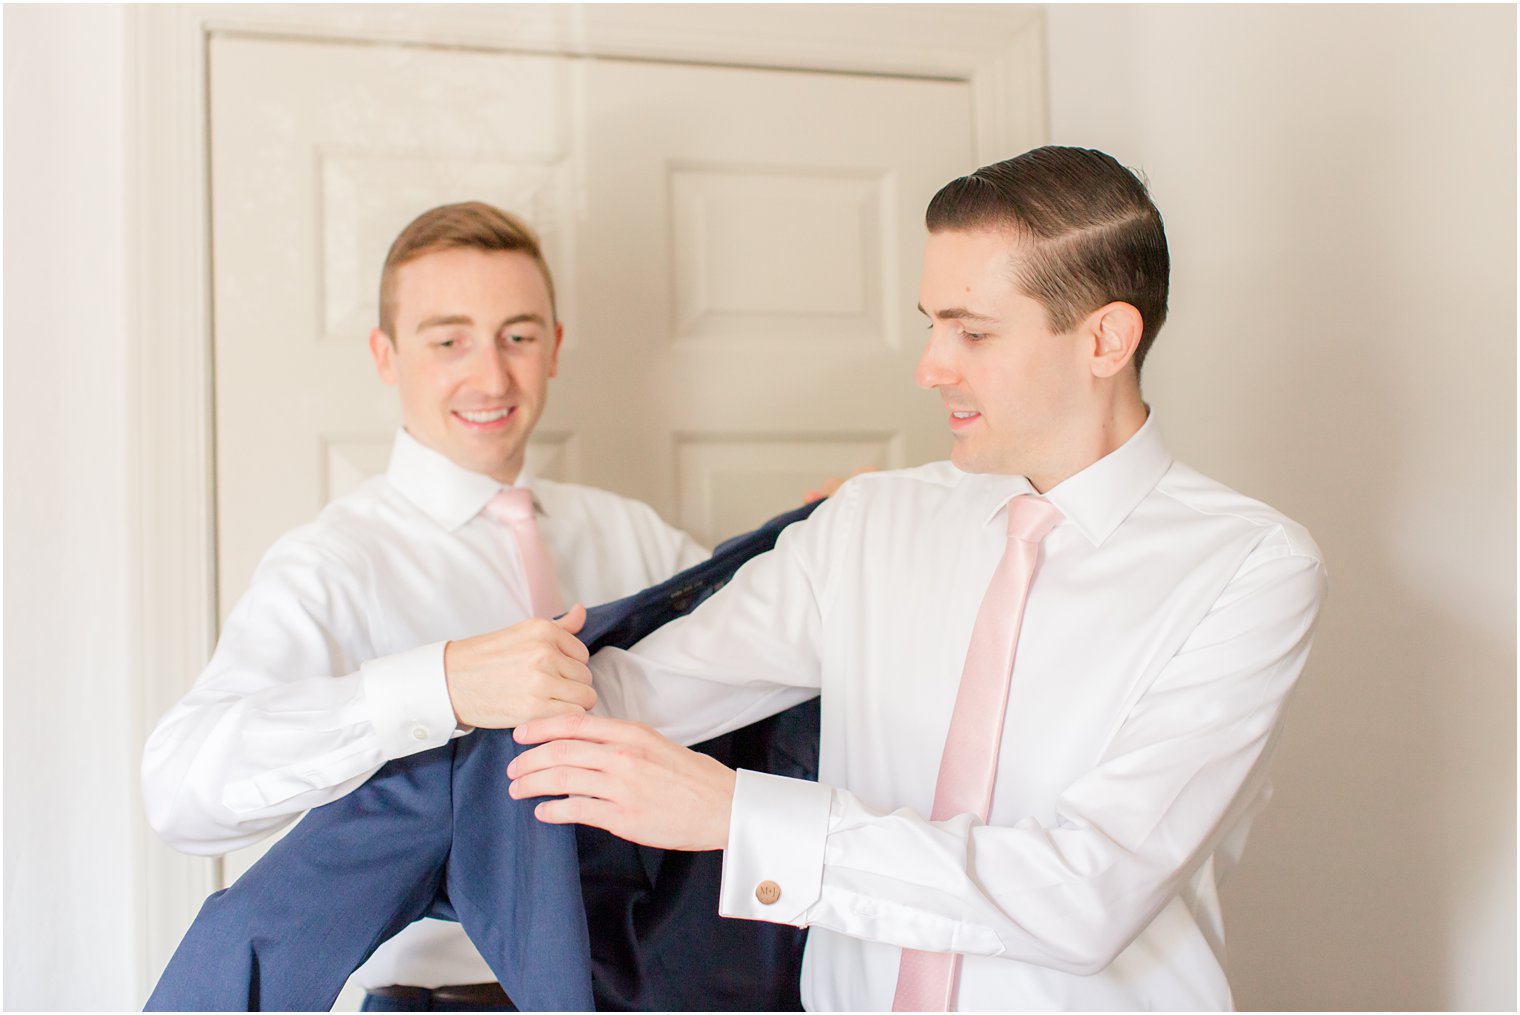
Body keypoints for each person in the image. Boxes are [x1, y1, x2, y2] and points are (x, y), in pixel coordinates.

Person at [506, 146, 1329, 1011]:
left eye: (972, 331)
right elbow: (631, 698)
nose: (930, 366)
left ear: (1105, 338)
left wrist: (743, 818)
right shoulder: (869, 523)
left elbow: (1089, 894)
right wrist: (448, 687)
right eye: (932, 322)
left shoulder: (1250, 569)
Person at [141, 201, 708, 1010]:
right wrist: (435, 688)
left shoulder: (630, 534)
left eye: (518, 335)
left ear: (553, 344)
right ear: (386, 354)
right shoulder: (334, 563)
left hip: (653, 985)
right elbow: (180, 792)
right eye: (449, 341)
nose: (491, 376)